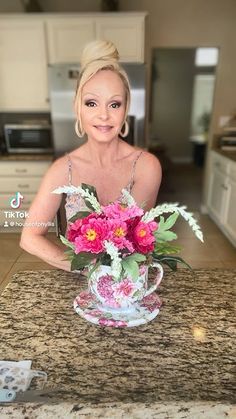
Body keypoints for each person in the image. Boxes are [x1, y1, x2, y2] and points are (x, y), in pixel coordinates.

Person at [20, 40, 162, 271]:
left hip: (127, 287)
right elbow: (29, 237)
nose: (103, 115)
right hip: (80, 287)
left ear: (125, 109)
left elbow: (133, 242)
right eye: (92, 103)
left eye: (114, 104)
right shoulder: (61, 169)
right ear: (77, 107)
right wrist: (85, 269)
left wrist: (113, 280)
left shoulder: (146, 166)